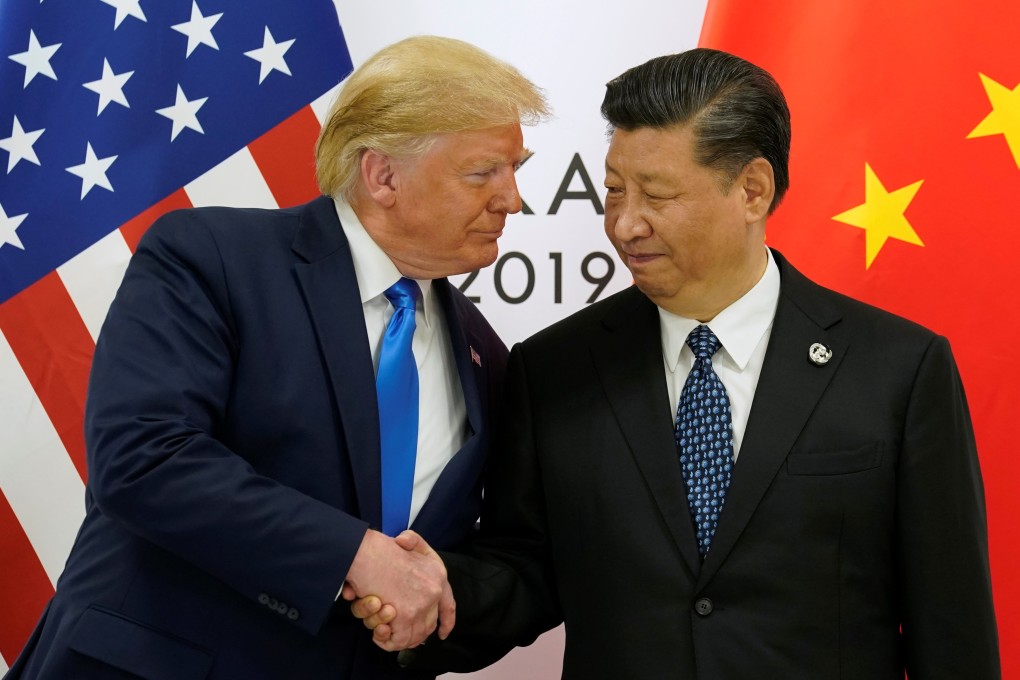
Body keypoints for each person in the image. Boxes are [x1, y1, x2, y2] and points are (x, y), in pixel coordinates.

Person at [354, 47, 1000, 679]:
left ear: (753, 189)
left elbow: (952, 626)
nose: (625, 225)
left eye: (656, 196)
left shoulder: (898, 369)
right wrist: (424, 596)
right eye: (612, 191)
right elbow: (525, 573)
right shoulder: (554, 368)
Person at [5, 35, 548, 680]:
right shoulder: (212, 257)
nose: (512, 199)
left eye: (517, 170)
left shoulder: (485, 354)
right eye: (483, 171)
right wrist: (357, 556)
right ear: (383, 175)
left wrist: (428, 598)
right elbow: (141, 454)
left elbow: (478, 562)